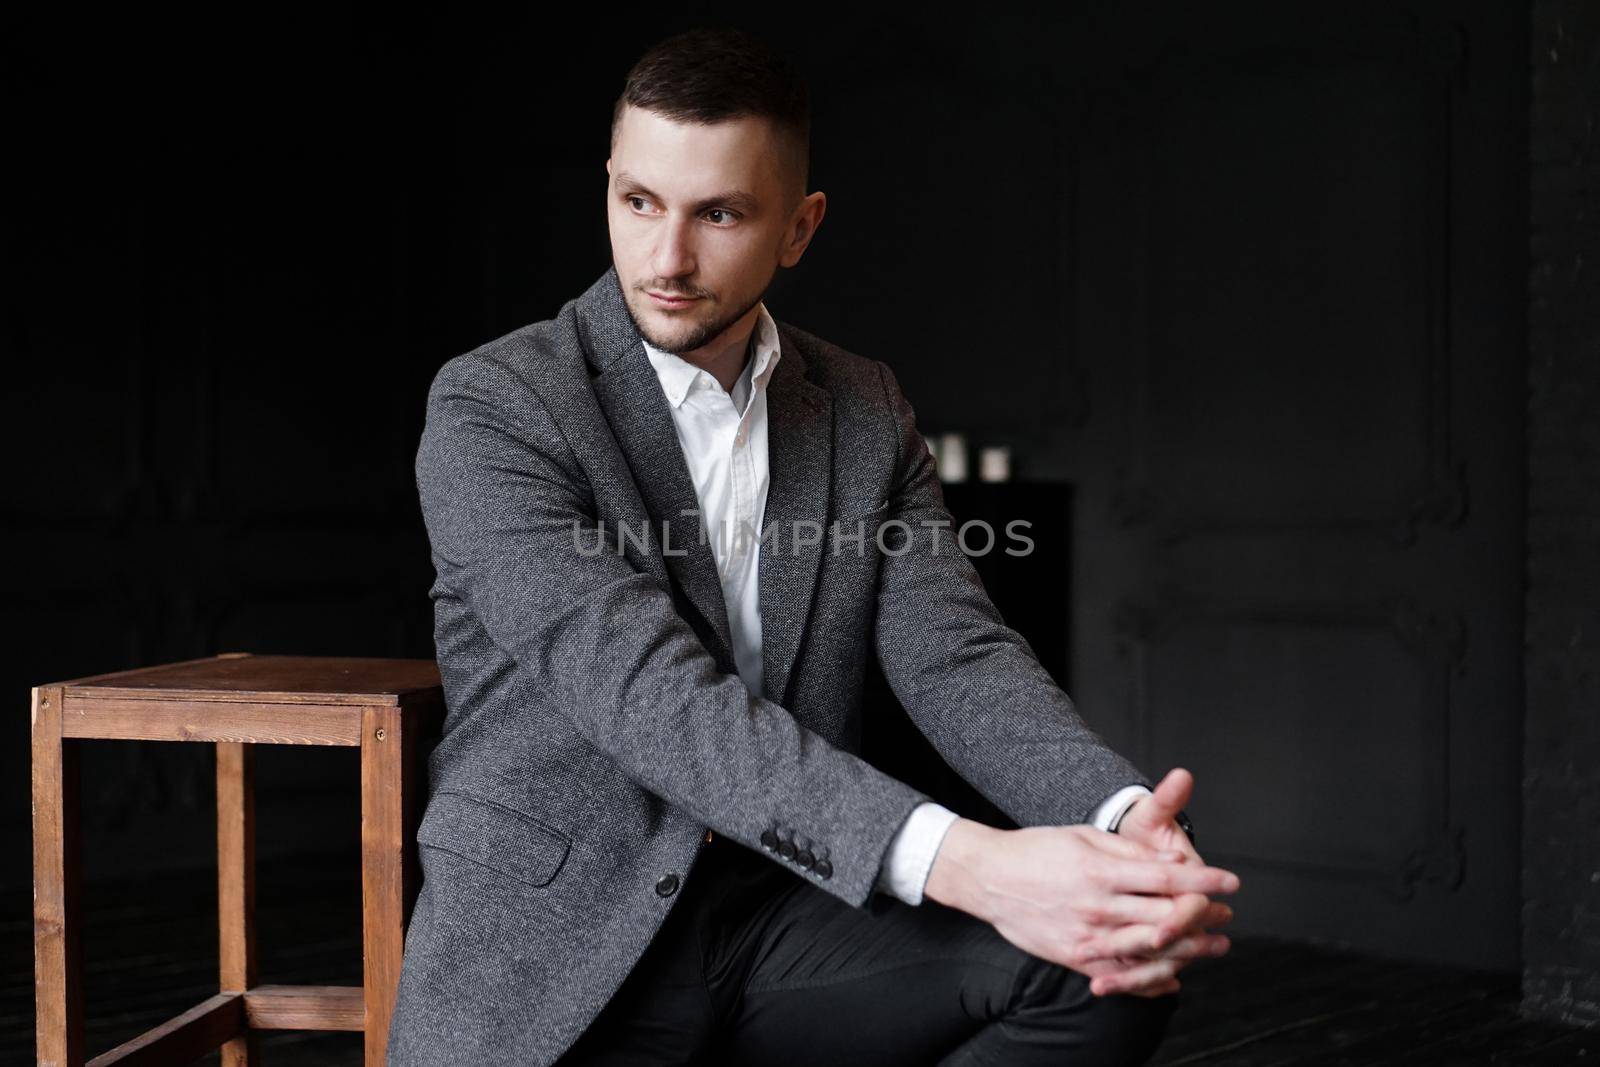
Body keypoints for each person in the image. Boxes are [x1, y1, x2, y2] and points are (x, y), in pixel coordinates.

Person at [391, 25, 1241, 1067]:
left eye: (720, 214)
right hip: (562, 937)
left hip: (780, 907)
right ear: (608, 184)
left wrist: (1118, 822)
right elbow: (646, 693)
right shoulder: (498, 403)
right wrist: (973, 862)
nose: (665, 258)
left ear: (799, 227)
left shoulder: (860, 406)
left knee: (1103, 963)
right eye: (640, 202)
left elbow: (955, 652)